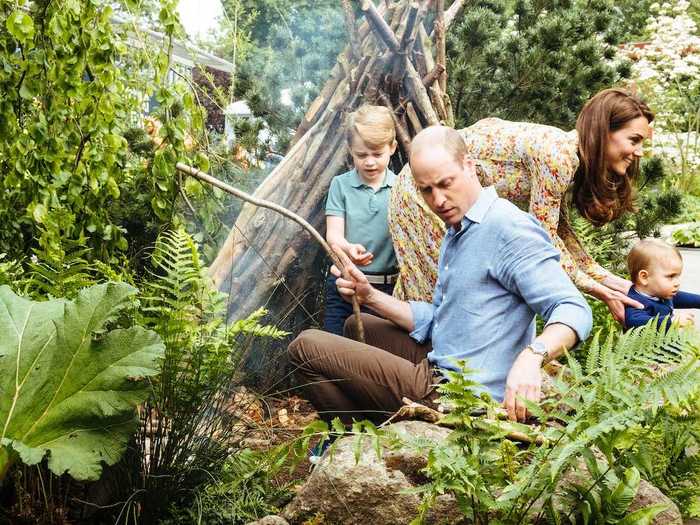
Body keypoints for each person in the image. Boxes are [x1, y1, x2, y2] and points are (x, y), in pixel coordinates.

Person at [289, 126, 592, 427]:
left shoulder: (508, 228)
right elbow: (443, 320)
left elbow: (573, 309)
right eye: (426, 190)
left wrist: (533, 356)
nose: (439, 200)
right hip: (447, 358)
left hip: (460, 395)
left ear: (469, 166)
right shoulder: (459, 229)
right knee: (355, 324)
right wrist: (369, 296)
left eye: (446, 183)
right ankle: (378, 421)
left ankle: (360, 434)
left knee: (305, 346)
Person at [390, 88, 654, 324]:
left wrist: (609, 281)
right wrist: (598, 290)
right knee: (442, 297)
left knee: (431, 289)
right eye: (634, 140)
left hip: (437, 192)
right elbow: (544, 241)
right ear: (604, 131)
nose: (639, 151)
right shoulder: (557, 156)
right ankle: (426, 374)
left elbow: (560, 232)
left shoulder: (568, 156)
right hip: (420, 191)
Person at [323, 105, 399, 336]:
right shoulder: (341, 185)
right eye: (361, 155)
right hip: (344, 284)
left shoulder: (401, 188)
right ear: (350, 150)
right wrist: (348, 248)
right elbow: (333, 235)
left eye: (377, 154)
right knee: (335, 351)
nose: (370, 162)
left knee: (376, 358)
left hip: (387, 290)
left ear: (392, 148)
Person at [624, 239, 700, 330]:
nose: (677, 283)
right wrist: (671, 321)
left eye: (677, 276)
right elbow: (634, 321)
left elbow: (680, 297)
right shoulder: (636, 302)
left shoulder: (660, 293)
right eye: (671, 276)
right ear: (644, 277)